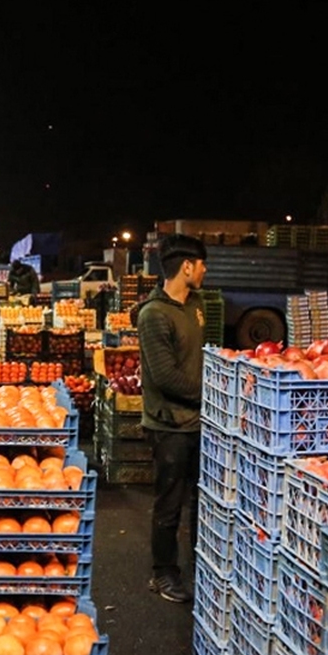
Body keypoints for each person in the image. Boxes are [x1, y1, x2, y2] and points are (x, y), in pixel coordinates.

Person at [136, 234, 208, 603]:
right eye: (201, 264)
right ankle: (163, 572)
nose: (205, 271)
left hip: (199, 421)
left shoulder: (196, 305)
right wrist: (211, 394)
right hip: (168, 426)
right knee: (169, 504)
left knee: (201, 501)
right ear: (186, 267)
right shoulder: (153, 315)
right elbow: (165, 377)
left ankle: (202, 570)